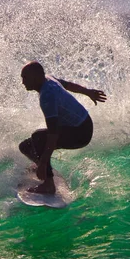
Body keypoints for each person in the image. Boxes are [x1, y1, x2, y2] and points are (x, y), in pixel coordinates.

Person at [19, 61, 107, 194]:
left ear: (36, 77)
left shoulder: (47, 96)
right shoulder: (48, 78)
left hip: (81, 132)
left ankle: (49, 184)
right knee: (25, 146)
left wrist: (43, 161)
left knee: (38, 138)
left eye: (25, 78)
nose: (23, 82)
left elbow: (53, 135)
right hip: (78, 125)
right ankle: (44, 169)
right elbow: (68, 85)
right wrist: (87, 92)